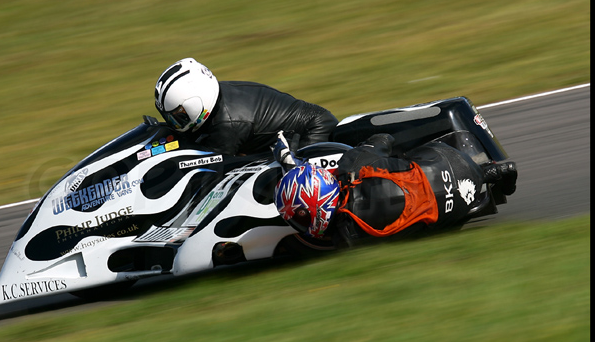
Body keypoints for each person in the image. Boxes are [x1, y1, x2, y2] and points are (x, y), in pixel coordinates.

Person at [272, 131, 517, 248]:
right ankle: (491, 172)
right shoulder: (352, 165)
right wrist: (366, 149)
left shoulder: (345, 235)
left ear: (321, 203)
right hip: (451, 159)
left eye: (301, 215)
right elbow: (383, 138)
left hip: (457, 208)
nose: (300, 221)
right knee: (398, 157)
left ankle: (490, 175)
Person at [154, 58, 338, 156]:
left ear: (197, 105)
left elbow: (210, 171)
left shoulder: (227, 124)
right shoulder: (213, 95)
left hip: (313, 132)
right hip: (305, 126)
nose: (172, 122)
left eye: (177, 116)